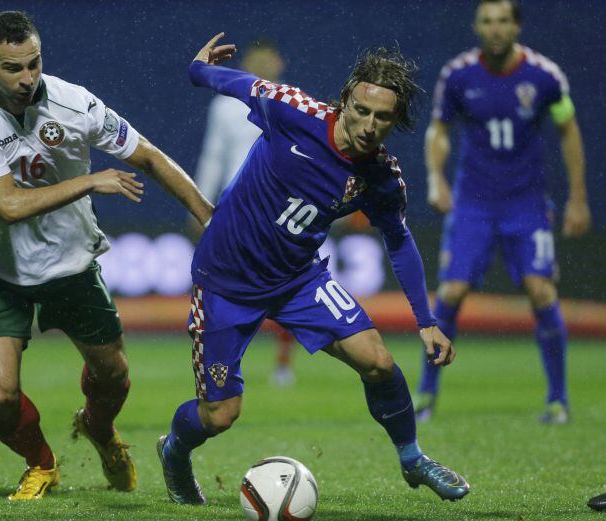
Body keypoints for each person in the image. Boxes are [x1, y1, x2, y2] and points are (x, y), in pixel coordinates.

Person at [157, 33, 470, 506]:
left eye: (382, 117)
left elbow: (399, 240)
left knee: (380, 363)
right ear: (344, 101)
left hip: (298, 280)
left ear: (394, 122)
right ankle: (175, 451)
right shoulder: (291, 110)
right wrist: (198, 68)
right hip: (225, 281)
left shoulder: (382, 178)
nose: (368, 124)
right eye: (361, 110)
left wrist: (426, 321)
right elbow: (226, 81)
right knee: (219, 415)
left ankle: (413, 459)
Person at [0, 11, 212, 500]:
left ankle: (100, 430)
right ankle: (41, 463)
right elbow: (6, 205)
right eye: (12, 68)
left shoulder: (75, 103)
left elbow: (149, 155)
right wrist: (90, 180)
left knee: (114, 378)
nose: (27, 79)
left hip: (70, 266)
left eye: (34, 64)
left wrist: (209, 218)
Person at [413, 0, 590, 424]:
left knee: (541, 291)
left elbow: (569, 130)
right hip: (473, 202)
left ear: (517, 27)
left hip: (526, 204)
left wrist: (579, 198)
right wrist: (436, 179)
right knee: (451, 294)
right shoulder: (458, 75)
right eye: (487, 21)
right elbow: (439, 129)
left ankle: (557, 399)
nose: (495, 29)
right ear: (476, 27)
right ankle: (426, 393)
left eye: (503, 21)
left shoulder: (544, 76)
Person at [191, 39, 297, 387]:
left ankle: (282, 363)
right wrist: (199, 201)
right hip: (233, 208)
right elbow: (212, 156)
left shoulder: (293, 103)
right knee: (223, 288)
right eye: (259, 60)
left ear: (280, 63)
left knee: (285, 285)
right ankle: (224, 364)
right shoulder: (225, 106)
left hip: (278, 208)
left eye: (271, 59)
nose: (266, 66)